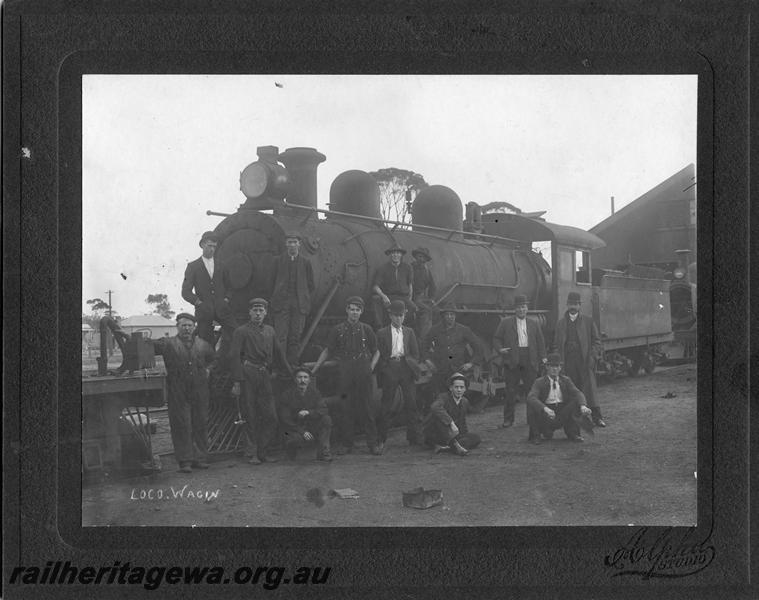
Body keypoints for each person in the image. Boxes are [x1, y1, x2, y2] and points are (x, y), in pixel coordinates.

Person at [312, 296, 380, 455]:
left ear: (361, 312)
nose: (354, 312)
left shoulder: (367, 329)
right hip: (345, 371)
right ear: (347, 310)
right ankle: (347, 444)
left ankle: (372, 444)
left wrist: (371, 367)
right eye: (351, 309)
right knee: (346, 407)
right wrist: (315, 369)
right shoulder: (338, 329)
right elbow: (328, 350)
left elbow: (376, 351)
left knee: (368, 407)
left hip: (363, 369)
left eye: (357, 310)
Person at [229, 298, 292, 465]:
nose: (258, 314)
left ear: (266, 313)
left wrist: (290, 373)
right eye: (255, 310)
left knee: (270, 416)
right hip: (248, 374)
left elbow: (279, 353)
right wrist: (236, 382)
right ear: (249, 312)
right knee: (250, 414)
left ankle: (263, 451)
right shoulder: (241, 331)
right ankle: (252, 454)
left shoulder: (270, 331)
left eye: (261, 311)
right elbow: (234, 357)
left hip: (264, 375)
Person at [152, 313, 215, 473]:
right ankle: (185, 461)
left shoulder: (203, 344)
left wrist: (208, 370)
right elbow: (147, 346)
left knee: (200, 423)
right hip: (177, 390)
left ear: (194, 327)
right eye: (183, 325)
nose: (186, 328)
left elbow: (214, 359)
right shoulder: (168, 344)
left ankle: (200, 459)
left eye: (189, 325)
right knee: (182, 424)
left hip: (200, 390)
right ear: (177, 327)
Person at [375, 300, 424, 452]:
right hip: (390, 368)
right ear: (390, 316)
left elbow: (415, 353)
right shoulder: (382, 333)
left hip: (406, 368)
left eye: (401, 316)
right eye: (396, 316)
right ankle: (381, 440)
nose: (398, 319)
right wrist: (385, 368)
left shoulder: (409, 332)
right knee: (386, 405)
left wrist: (411, 365)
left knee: (411, 403)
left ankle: (413, 438)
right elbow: (380, 354)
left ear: (405, 316)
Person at [181, 231, 237, 364]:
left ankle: (225, 361)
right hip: (204, 311)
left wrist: (226, 300)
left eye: (214, 246)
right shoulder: (193, 266)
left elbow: (230, 287)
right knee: (205, 342)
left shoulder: (222, 265)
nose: (212, 249)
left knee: (236, 332)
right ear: (202, 245)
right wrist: (198, 302)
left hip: (222, 309)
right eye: (209, 246)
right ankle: (207, 370)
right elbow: (185, 292)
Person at [492, 294, 547, 428]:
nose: (521, 310)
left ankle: (531, 419)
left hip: (530, 359)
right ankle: (508, 420)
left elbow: (540, 341)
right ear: (514, 309)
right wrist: (500, 349)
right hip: (512, 359)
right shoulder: (506, 323)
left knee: (531, 392)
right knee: (511, 391)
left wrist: (543, 357)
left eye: (523, 307)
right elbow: (496, 338)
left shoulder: (533, 323)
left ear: (527, 308)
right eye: (518, 307)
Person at [553, 291, 606, 427]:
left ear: (579, 306)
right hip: (567, 361)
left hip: (584, 360)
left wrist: (592, 357)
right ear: (567, 304)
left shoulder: (588, 321)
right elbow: (556, 345)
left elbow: (597, 341)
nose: (573, 307)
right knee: (571, 390)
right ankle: (574, 420)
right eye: (571, 304)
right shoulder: (560, 323)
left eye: (576, 304)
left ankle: (597, 417)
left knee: (590, 390)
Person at [270, 231, 315, 366]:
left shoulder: (306, 262)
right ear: (286, 244)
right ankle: (280, 365)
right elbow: (271, 282)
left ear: (299, 244)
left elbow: (311, 285)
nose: (292, 245)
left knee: (295, 336)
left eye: (295, 242)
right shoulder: (277, 261)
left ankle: (292, 364)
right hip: (281, 303)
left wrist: (303, 296)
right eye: (289, 242)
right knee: (281, 336)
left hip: (299, 303)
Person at [525, 353, 592, 443]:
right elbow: (531, 397)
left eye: (557, 366)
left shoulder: (566, 380)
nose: (554, 369)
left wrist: (583, 406)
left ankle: (573, 434)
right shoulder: (539, 382)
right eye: (551, 366)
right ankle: (536, 436)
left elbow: (578, 393)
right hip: (546, 414)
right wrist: (545, 409)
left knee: (576, 401)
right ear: (547, 367)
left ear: (560, 368)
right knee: (531, 403)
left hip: (561, 412)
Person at [421, 302, 485, 395]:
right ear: (443, 316)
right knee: (439, 395)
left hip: (457, 369)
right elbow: (424, 345)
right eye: (447, 314)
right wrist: (427, 360)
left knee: (456, 396)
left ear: (455, 316)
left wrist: (471, 363)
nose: (450, 316)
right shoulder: (435, 330)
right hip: (439, 369)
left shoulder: (464, 330)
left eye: (452, 314)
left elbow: (478, 347)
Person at [278, 367, 333, 462]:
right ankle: (290, 455)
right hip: (294, 428)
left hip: (311, 426)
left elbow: (323, 409)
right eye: (299, 377)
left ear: (309, 380)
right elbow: (285, 419)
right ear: (295, 380)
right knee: (293, 439)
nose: (302, 380)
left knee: (326, 419)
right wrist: (302, 432)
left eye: (305, 377)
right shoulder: (287, 395)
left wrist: (309, 412)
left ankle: (323, 453)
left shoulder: (315, 393)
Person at [423, 372, 481, 456]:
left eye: (462, 387)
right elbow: (434, 407)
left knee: (476, 438)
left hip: (451, 435)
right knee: (439, 418)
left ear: (465, 389)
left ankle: (446, 447)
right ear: (451, 388)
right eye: (456, 387)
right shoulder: (443, 397)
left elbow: (462, 422)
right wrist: (451, 423)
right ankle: (455, 446)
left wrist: (464, 435)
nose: (459, 390)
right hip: (436, 433)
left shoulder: (464, 401)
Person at [371, 243, 417, 327]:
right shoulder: (383, 268)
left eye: (398, 253)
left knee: (413, 308)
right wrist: (383, 296)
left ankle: (400, 326)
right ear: (390, 255)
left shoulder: (407, 267)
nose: (395, 255)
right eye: (393, 253)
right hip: (389, 297)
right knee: (376, 299)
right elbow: (375, 286)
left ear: (401, 255)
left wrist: (409, 299)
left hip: (403, 297)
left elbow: (410, 285)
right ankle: (380, 328)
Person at [411, 246, 436, 338]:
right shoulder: (410, 268)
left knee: (435, 310)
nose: (421, 259)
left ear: (426, 259)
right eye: (419, 256)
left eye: (423, 257)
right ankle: (424, 338)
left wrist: (432, 299)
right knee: (426, 310)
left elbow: (433, 287)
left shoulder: (427, 271)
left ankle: (429, 336)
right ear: (416, 257)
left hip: (420, 298)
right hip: (410, 296)